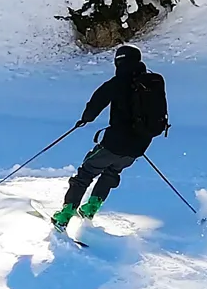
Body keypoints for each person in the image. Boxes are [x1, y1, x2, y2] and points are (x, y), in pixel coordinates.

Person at [52, 44, 168, 227]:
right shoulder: (153, 82)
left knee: (86, 173)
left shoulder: (117, 83)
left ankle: (66, 214)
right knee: (112, 171)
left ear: (119, 62)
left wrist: (85, 119)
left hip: (115, 142)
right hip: (141, 144)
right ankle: (90, 208)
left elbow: (97, 102)